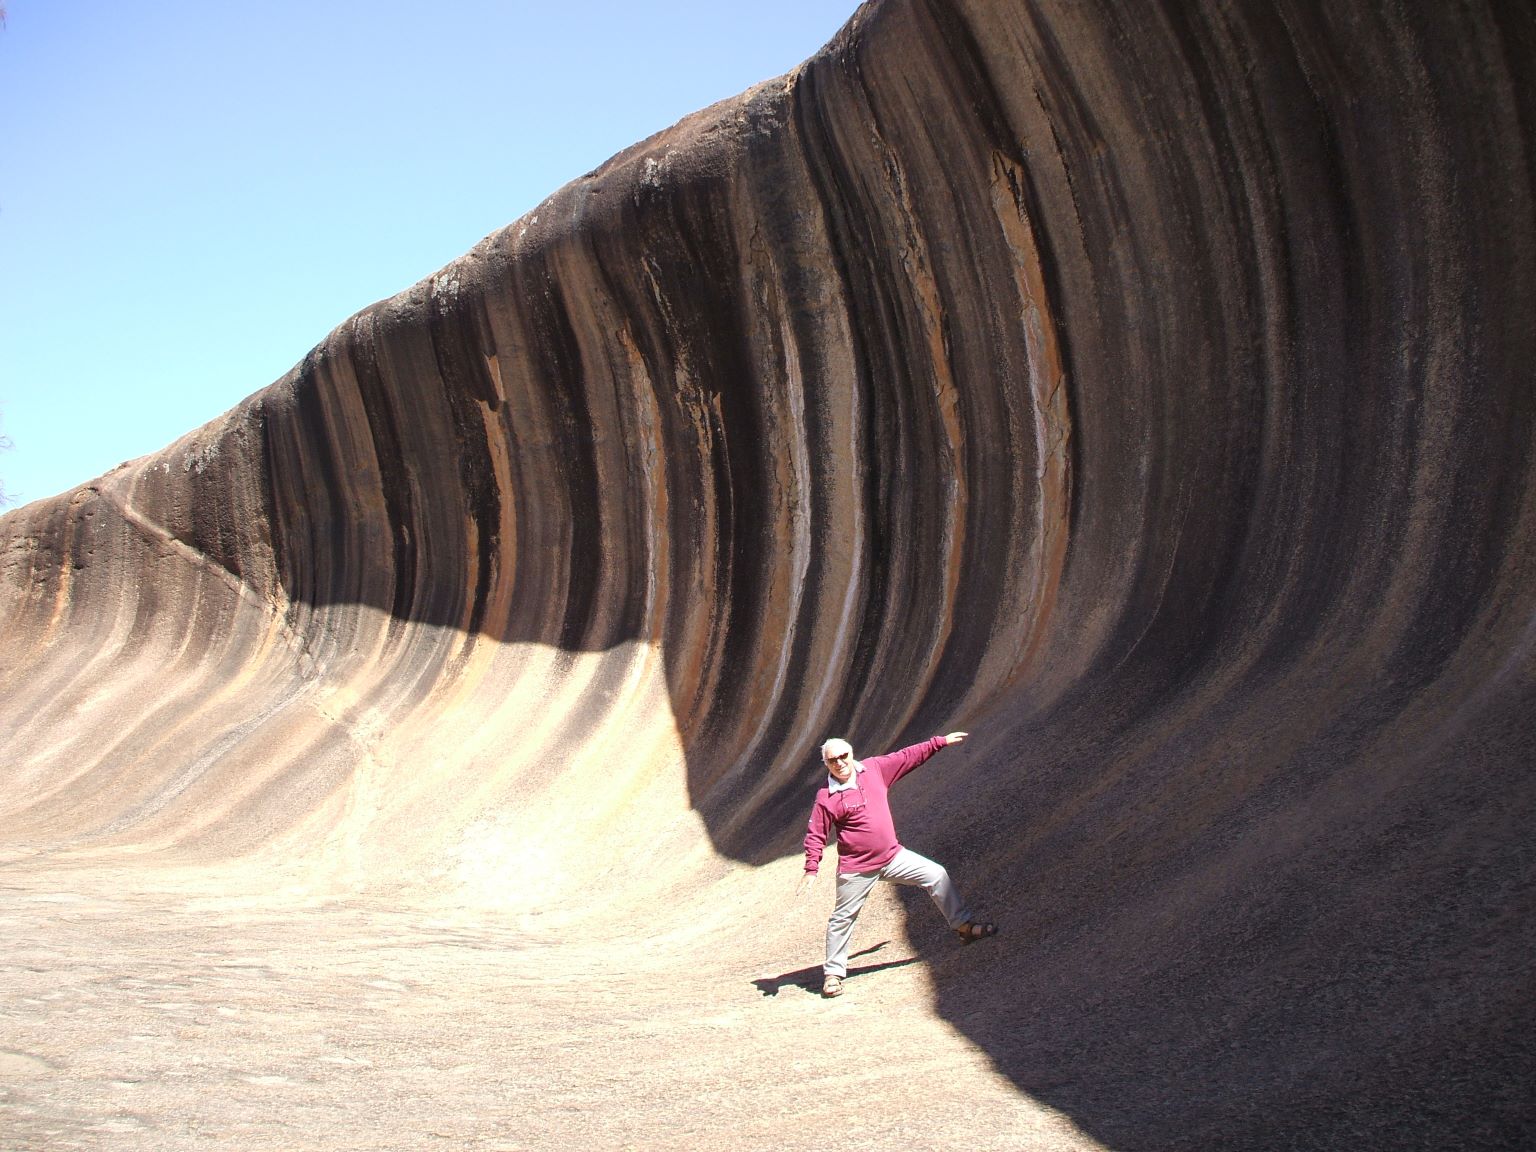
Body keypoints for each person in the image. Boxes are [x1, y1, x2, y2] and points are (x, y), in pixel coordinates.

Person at [796, 732, 996, 998]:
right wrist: (811, 869)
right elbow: (816, 834)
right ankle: (833, 974)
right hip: (857, 867)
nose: (840, 762)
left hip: (893, 857)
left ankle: (963, 928)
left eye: (843, 756)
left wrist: (939, 743)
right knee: (842, 918)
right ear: (826, 764)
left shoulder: (874, 770)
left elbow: (906, 757)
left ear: (851, 754)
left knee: (936, 875)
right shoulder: (826, 797)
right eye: (833, 760)